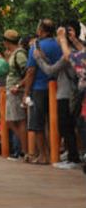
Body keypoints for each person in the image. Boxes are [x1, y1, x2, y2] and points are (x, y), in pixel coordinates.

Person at [33, 25, 81, 169]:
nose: (57, 40)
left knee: (66, 126)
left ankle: (73, 158)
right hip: (67, 93)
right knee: (66, 126)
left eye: (59, 37)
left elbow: (50, 71)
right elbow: (55, 69)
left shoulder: (69, 54)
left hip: (66, 94)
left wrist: (38, 59)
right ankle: (71, 155)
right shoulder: (72, 53)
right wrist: (43, 57)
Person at [22, 19, 62, 165]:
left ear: (41, 30)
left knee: (37, 124)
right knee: (53, 122)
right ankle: (54, 154)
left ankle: (44, 156)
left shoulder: (36, 46)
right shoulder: (59, 44)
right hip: (57, 87)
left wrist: (26, 92)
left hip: (39, 88)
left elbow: (31, 71)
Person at [2, 29, 29, 160]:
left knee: (20, 120)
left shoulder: (20, 54)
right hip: (11, 90)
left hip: (17, 91)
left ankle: (25, 150)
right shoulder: (13, 54)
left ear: (7, 42)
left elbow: (28, 72)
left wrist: (19, 86)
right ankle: (25, 148)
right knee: (10, 121)